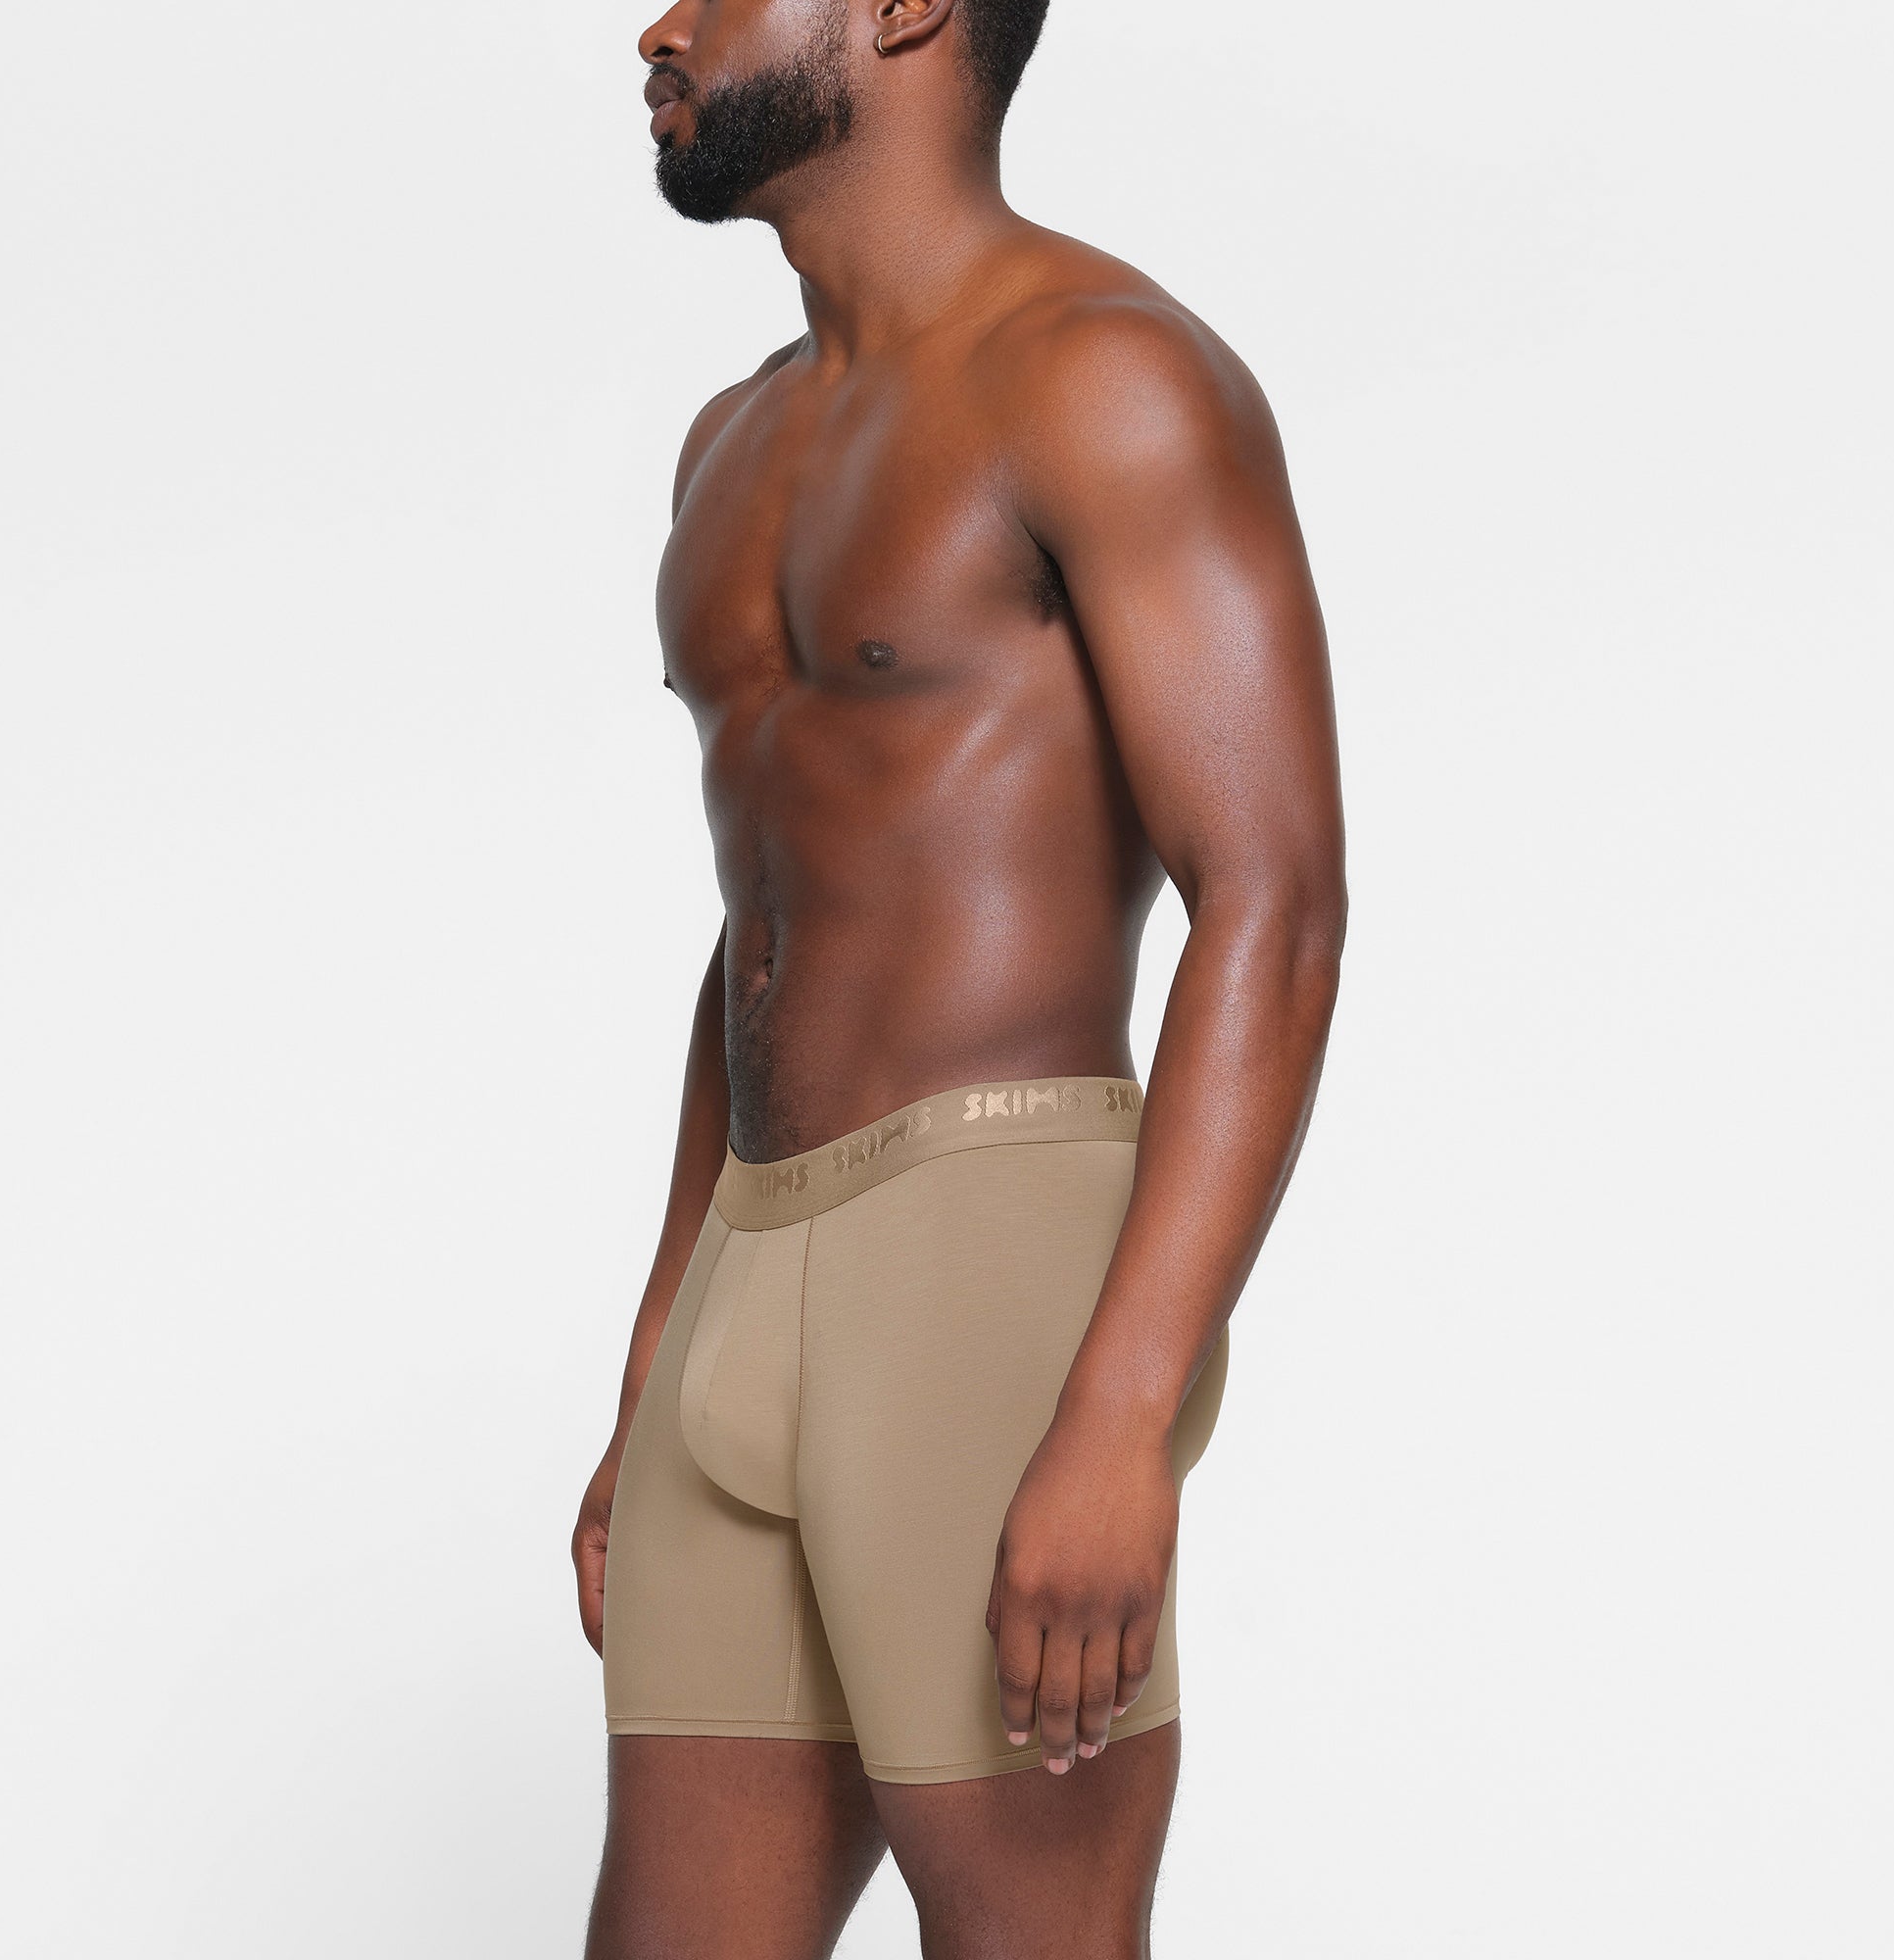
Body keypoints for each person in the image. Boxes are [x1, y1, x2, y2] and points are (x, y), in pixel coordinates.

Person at [569, 2, 1346, 1952]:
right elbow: (770, 907)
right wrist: (662, 1347)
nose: (661, 26)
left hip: (989, 1249)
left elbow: (1272, 899)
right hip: (748, 1254)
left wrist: (1125, 1414)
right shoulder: (731, 439)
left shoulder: (1105, 375)